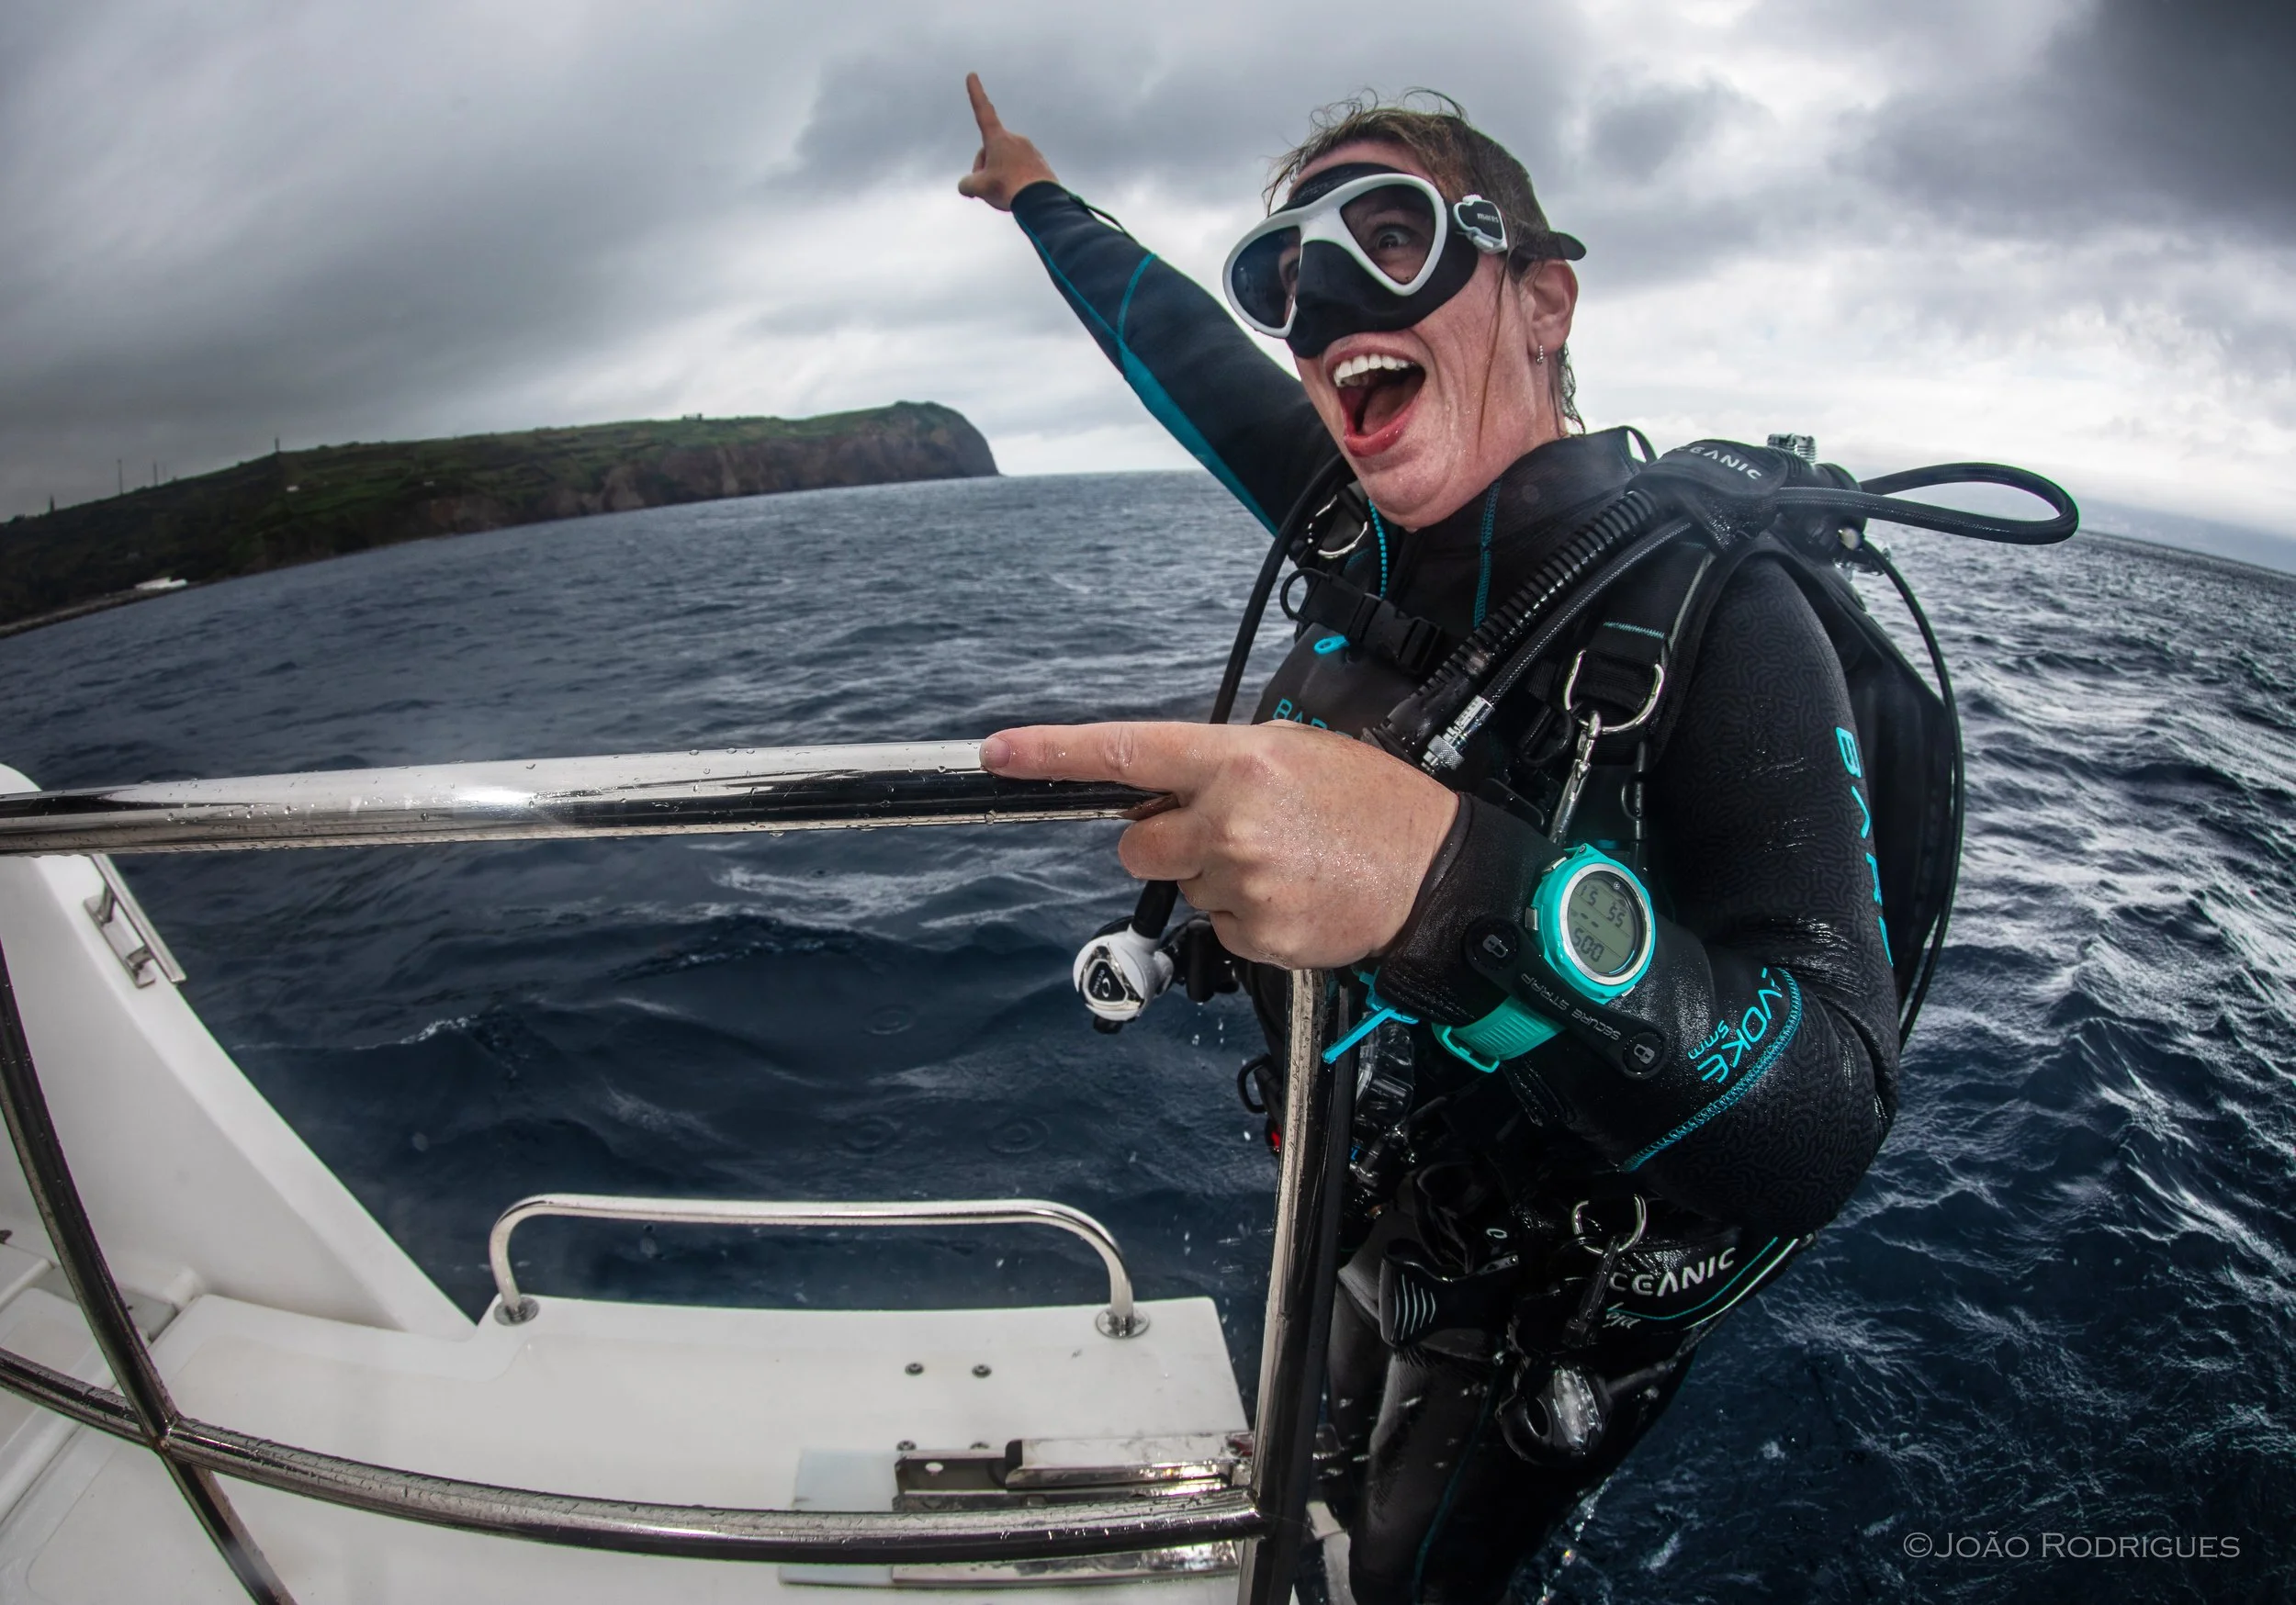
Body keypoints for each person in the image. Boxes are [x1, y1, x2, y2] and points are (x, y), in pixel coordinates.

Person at [959, 76, 1901, 1605]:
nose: (1321, 305)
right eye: (1287, 277)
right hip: (1359, 1186)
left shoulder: (1727, 616)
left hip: (1547, 1294)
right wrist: (1035, 192)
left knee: (1401, 1577)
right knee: (1301, 1467)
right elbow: (1168, 335)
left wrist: (1452, 883)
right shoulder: (1347, 526)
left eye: (1386, 234)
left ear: (1543, 297)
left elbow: (1825, 1117)